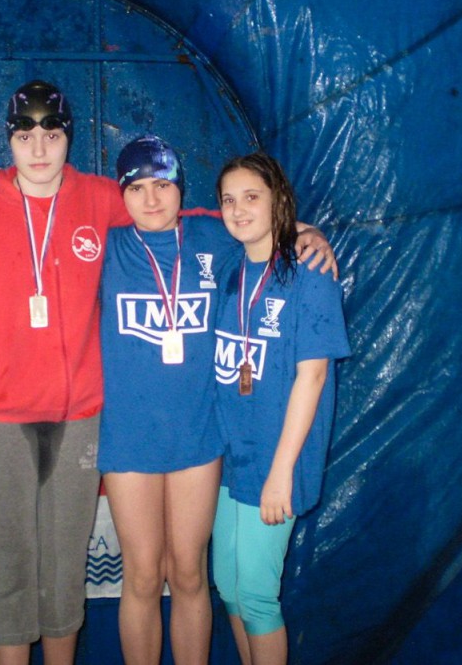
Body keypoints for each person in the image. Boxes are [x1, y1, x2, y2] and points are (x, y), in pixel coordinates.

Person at [98, 136, 338, 665]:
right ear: (122, 194)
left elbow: (259, 222)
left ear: (181, 191)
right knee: (142, 576)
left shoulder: (211, 237)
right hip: (129, 439)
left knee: (190, 573)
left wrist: (310, 233)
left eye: (163, 186)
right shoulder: (105, 246)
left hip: (200, 436)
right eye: (137, 188)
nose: (151, 199)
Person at [0, 80, 132, 665]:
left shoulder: (99, 199)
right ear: (9, 141)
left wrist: (279, 229)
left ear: (69, 138)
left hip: (78, 417)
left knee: (65, 572)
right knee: (12, 573)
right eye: (24, 136)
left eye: (52, 134)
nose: (38, 149)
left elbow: (169, 212)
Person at [210, 151, 351, 665]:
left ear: (278, 200)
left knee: (256, 595)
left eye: (252, 197)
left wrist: (281, 472)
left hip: (277, 459)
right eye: (229, 200)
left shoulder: (310, 273)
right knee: (228, 586)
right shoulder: (229, 268)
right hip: (230, 458)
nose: (239, 209)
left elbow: (313, 377)